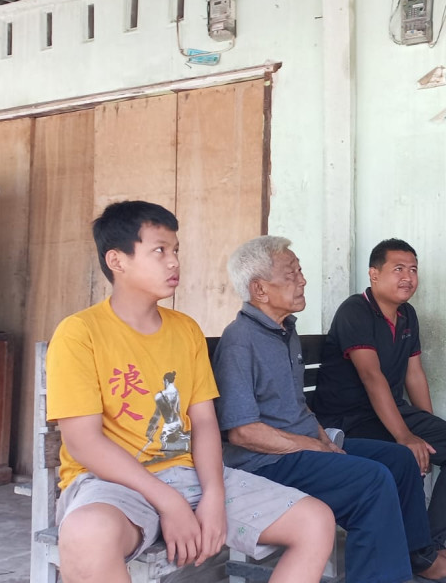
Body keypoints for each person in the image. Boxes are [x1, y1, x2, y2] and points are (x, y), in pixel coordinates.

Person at [45, 201, 335, 583]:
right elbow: (83, 442)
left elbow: (204, 423)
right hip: (112, 484)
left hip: (191, 477)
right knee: (86, 533)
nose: (173, 262)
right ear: (117, 260)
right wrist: (170, 504)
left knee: (315, 521)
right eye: (159, 250)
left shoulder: (185, 330)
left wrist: (213, 496)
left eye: (176, 250)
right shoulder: (80, 333)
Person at [212, 236, 446, 583]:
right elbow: (242, 432)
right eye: (292, 273)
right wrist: (313, 445)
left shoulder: (284, 332)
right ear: (260, 289)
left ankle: (419, 557)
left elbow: (298, 407)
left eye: (300, 271)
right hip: (266, 461)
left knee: (398, 461)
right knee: (371, 479)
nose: (303, 280)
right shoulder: (240, 340)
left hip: (300, 448)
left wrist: (323, 439)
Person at [311, 239, 446, 560]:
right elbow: (371, 377)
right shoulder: (355, 311)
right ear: (374, 274)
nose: (408, 277)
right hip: (349, 421)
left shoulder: (407, 315)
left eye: (413, 270)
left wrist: (426, 429)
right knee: (405, 455)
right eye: (398, 269)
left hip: (389, 413)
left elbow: (414, 373)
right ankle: (420, 554)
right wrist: (406, 437)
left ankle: (427, 547)